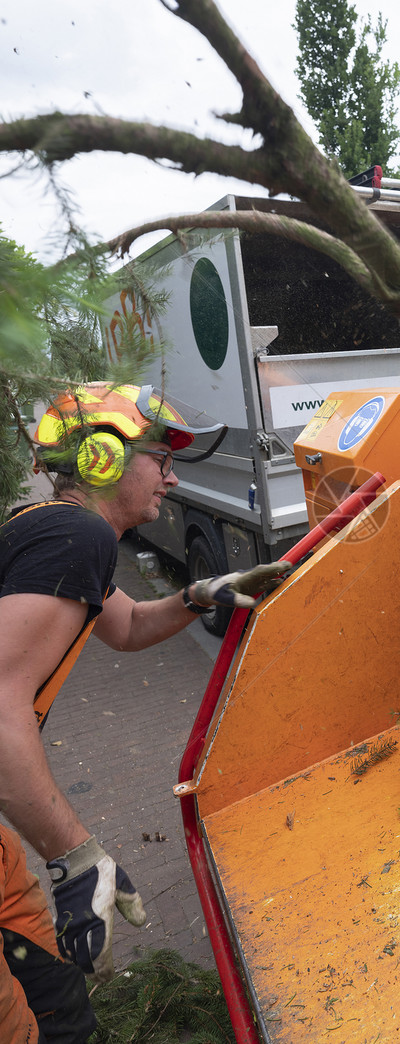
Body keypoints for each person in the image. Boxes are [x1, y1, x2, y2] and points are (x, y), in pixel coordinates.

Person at [0, 382, 291, 1043]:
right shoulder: (76, 534)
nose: (171, 476)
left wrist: (198, 595)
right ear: (103, 458)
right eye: (160, 459)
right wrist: (74, 858)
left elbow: (125, 626)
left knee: (58, 1003)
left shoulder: (59, 533)